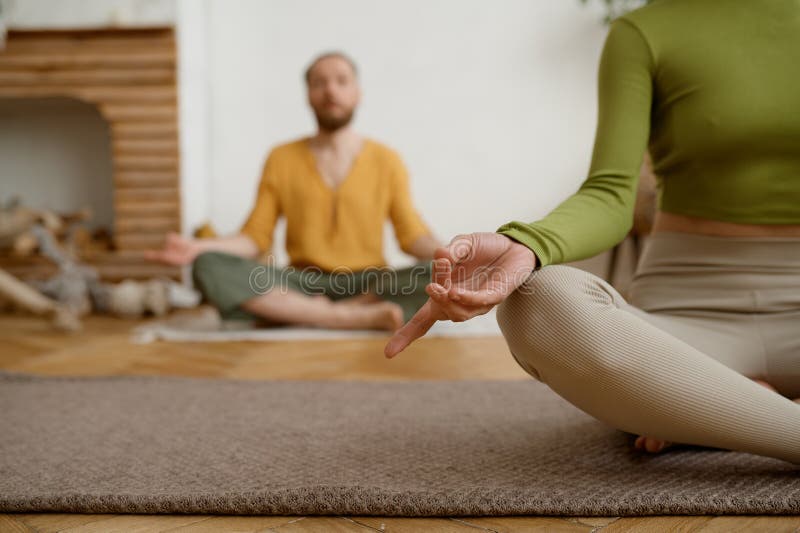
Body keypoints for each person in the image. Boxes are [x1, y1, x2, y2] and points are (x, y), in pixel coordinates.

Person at [385, 0, 800, 465]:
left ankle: (720, 410)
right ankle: (752, 413)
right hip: (686, 330)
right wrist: (526, 245)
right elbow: (611, 192)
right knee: (532, 301)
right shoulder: (644, 31)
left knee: (667, 392)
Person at [147, 52, 441, 331]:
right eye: (319, 83)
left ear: (358, 93)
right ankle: (343, 317)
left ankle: (308, 313)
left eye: (341, 81)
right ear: (308, 95)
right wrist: (198, 248)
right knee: (208, 266)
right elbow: (255, 238)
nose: (331, 90)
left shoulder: (387, 160)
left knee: (441, 271)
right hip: (301, 283)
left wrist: (452, 255)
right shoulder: (281, 158)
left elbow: (412, 235)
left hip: (371, 284)